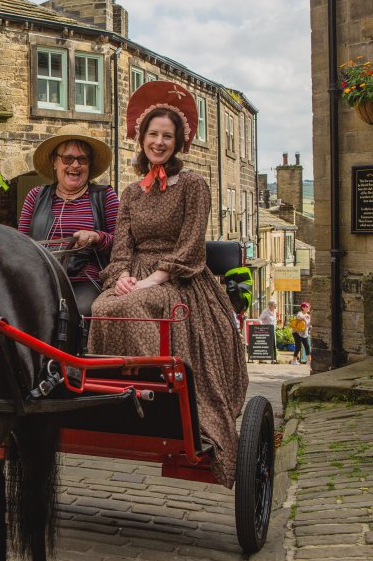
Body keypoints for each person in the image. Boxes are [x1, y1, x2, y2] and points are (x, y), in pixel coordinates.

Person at [87, 81, 249, 488]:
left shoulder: (193, 185)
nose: (158, 142)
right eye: (153, 135)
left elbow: (191, 247)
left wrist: (149, 282)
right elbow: (120, 249)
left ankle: (156, 396)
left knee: (131, 305)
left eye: (167, 136)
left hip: (179, 278)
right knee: (103, 305)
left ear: (177, 143)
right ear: (141, 140)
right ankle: (117, 396)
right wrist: (122, 277)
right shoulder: (131, 192)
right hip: (136, 275)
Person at [18, 123, 119, 319]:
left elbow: (122, 243)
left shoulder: (105, 196)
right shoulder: (35, 196)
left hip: (86, 279)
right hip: (43, 276)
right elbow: (21, 244)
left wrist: (97, 237)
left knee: (75, 311)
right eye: (67, 158)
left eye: (82, 159)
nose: (75, 165)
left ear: (89, 165)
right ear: (54, 162)